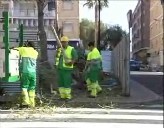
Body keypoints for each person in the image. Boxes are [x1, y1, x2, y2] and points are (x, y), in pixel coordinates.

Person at [14, 41, 38, 108]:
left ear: (27, 45)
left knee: (24, 87)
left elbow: (14, 50)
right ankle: (32, 104)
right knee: (32, 88)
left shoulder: (23, 49)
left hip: (26, 72)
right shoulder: (35, 52)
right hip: (33, 73)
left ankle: (25, 103)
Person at [55, 36, 78, 100]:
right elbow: (57, 58)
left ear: (67, 42)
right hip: (60, 69)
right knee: (61, 83)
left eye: (64, 42)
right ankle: (62, 96)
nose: (63, 43)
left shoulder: (71, 49)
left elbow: (75, 57)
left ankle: (68, 96)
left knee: (66, 82)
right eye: (62, 42)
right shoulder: (60, 49)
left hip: (67, 69)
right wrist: (56, 65)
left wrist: (71, 62)